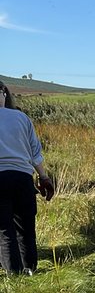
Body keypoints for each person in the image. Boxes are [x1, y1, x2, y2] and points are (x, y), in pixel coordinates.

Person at [0, 81, 54, 275]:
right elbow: (35, 152)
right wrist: (44, 177)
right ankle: (29, 268)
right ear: (4, 94)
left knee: (5, 230)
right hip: (23, 178)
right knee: (26, 228)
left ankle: (14, 275)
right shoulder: (21, 118)